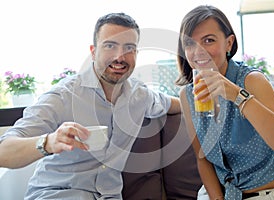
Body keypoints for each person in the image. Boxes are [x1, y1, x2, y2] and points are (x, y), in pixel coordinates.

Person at [0, 12, 180, 199]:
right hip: (58, 193)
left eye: (129, 48)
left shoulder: (141, 96)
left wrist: (208, 95)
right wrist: (49, 142)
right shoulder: (63, 96)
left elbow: (179, 103)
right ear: (93, 52)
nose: (120, 56)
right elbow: (3, 151)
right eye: (110, 46)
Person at [175, 5, 274, 200]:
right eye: (190, 43)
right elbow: (203, 159)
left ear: (229, 43)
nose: (198, 51)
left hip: (271, 194)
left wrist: (236, 95)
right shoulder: (187, 95)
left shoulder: (251, 80)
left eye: (209, 40)